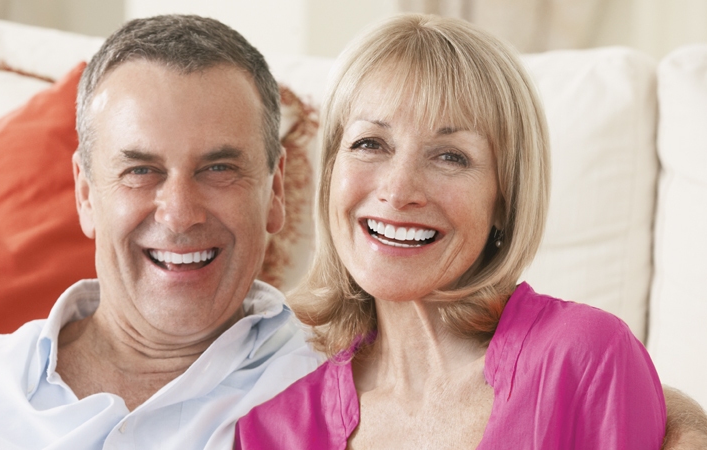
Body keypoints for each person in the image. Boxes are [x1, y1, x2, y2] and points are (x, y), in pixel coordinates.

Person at [0, 15, 322, 449]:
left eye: (218, 168)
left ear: (275, 191)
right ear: (85, 193)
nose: (180, 214)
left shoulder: (347, 390)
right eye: (141, 170)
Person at [234, 14, 670, 448]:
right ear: (330, 175)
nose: (399, 190)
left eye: (450, 156)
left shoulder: (584, 359)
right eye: (370, 144)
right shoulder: (273, 426)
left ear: (505, 199)